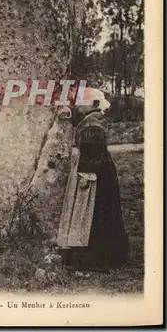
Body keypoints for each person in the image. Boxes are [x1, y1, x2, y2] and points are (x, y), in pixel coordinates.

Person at [56, 89, 129, 272]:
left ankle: (95, 256)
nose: (78, 105)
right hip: (103, 172)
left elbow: (92, 153)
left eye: (81, 102)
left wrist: (85, 175)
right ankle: (111, 253)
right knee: (105, 212)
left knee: (93, 213)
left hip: (93, 173)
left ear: (90, 104)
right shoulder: (94, 119)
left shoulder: (91, 126)